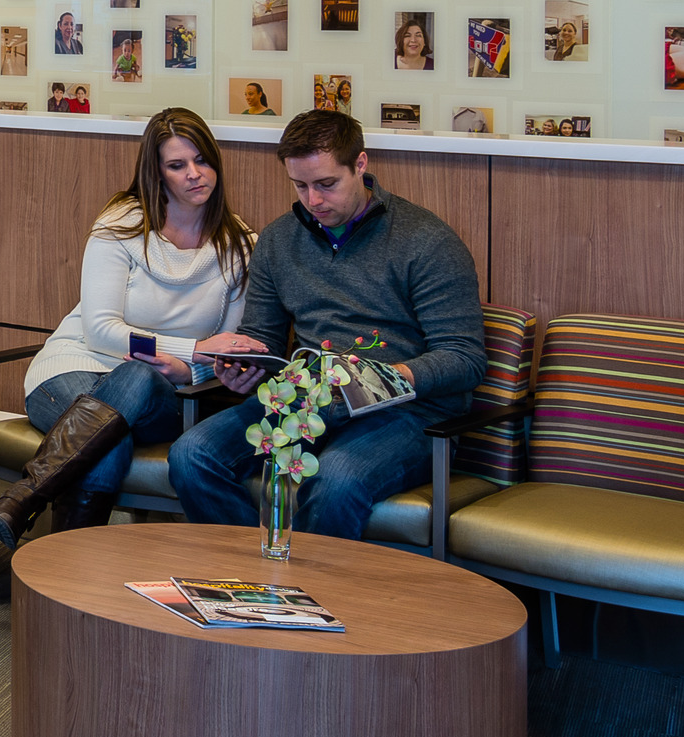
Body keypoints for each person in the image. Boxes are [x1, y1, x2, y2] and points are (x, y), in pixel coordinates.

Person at [173, 110, 489, 540]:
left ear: (360, 164)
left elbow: (465, 359)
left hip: (408, 413)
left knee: (336, 478)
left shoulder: (427, 241)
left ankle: (308, 598)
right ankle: (255, 579)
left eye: (326, 184)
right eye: (300, 186)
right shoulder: (280, 240)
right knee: (192, 455)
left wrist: (382, 379)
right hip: (305, 398)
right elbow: (264, 338)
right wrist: (243, 367)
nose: (314, 200)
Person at [0, 108, 256, 559]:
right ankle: (69, 577)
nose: (194, 174)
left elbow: (225, 355)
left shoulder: (239, 246)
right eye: (177, 165)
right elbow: (103, 331)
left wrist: (189, 370)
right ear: (156, 172)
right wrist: (194, 349)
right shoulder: (122, 225)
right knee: (110, 443)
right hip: (73, 367)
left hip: (162, 394)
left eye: (202, 160)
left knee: (141, 378)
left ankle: (24, 502)